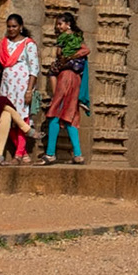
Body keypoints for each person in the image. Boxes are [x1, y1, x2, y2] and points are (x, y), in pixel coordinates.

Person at [39, 13, 88, 166]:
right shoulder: (77, 38)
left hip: (66, 78)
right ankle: (78, 155)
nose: (58, 27)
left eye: (60, 24)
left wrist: (66, 58)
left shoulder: (67, 39)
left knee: (55, 113)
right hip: (75, 80)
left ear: (68, 24)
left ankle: (50, 154)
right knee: (70, 116)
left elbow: (83, 51)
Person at [0, 14, 38, 162]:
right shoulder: (3, 44)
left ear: (21, 27)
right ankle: (22, 151)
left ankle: (18, 153)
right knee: (9, 118)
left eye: (14, 26)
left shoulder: (28, 44)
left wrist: (29, 90)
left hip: (23, 86)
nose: (11, 29)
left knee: (22, 118)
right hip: (7, 87)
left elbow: (34, 69)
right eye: (9, 26)